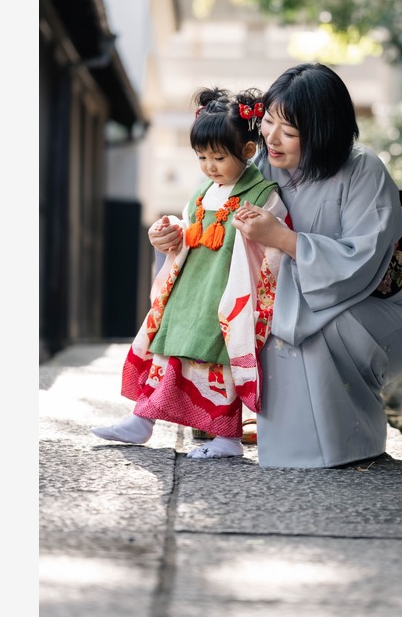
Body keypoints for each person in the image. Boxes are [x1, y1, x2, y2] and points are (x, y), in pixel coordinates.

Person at [152, 63, 402, 468]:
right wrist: (174, 236)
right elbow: (209, 219)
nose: (271, 138)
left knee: (300, 328)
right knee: (232, 309)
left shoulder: (364, 170)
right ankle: (222, 416)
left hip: (373, 305)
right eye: (267, 123)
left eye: (289, 131)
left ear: (322, 131)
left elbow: (362, 261)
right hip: (291, 293)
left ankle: (341, 442)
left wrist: (283, 239)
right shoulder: (262, 163)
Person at [91, 87, 287, 460]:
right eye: (202, 157)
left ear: (248, 151)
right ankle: (142, 420)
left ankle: (227, 438)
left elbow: (274, 241)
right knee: (168, 351)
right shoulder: (201, 193)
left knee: (217, 362)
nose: (210, 166)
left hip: (224, 293)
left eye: (219, 156)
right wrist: (169, 235)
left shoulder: (263, 193)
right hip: (189, 290)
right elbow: (187, 232)